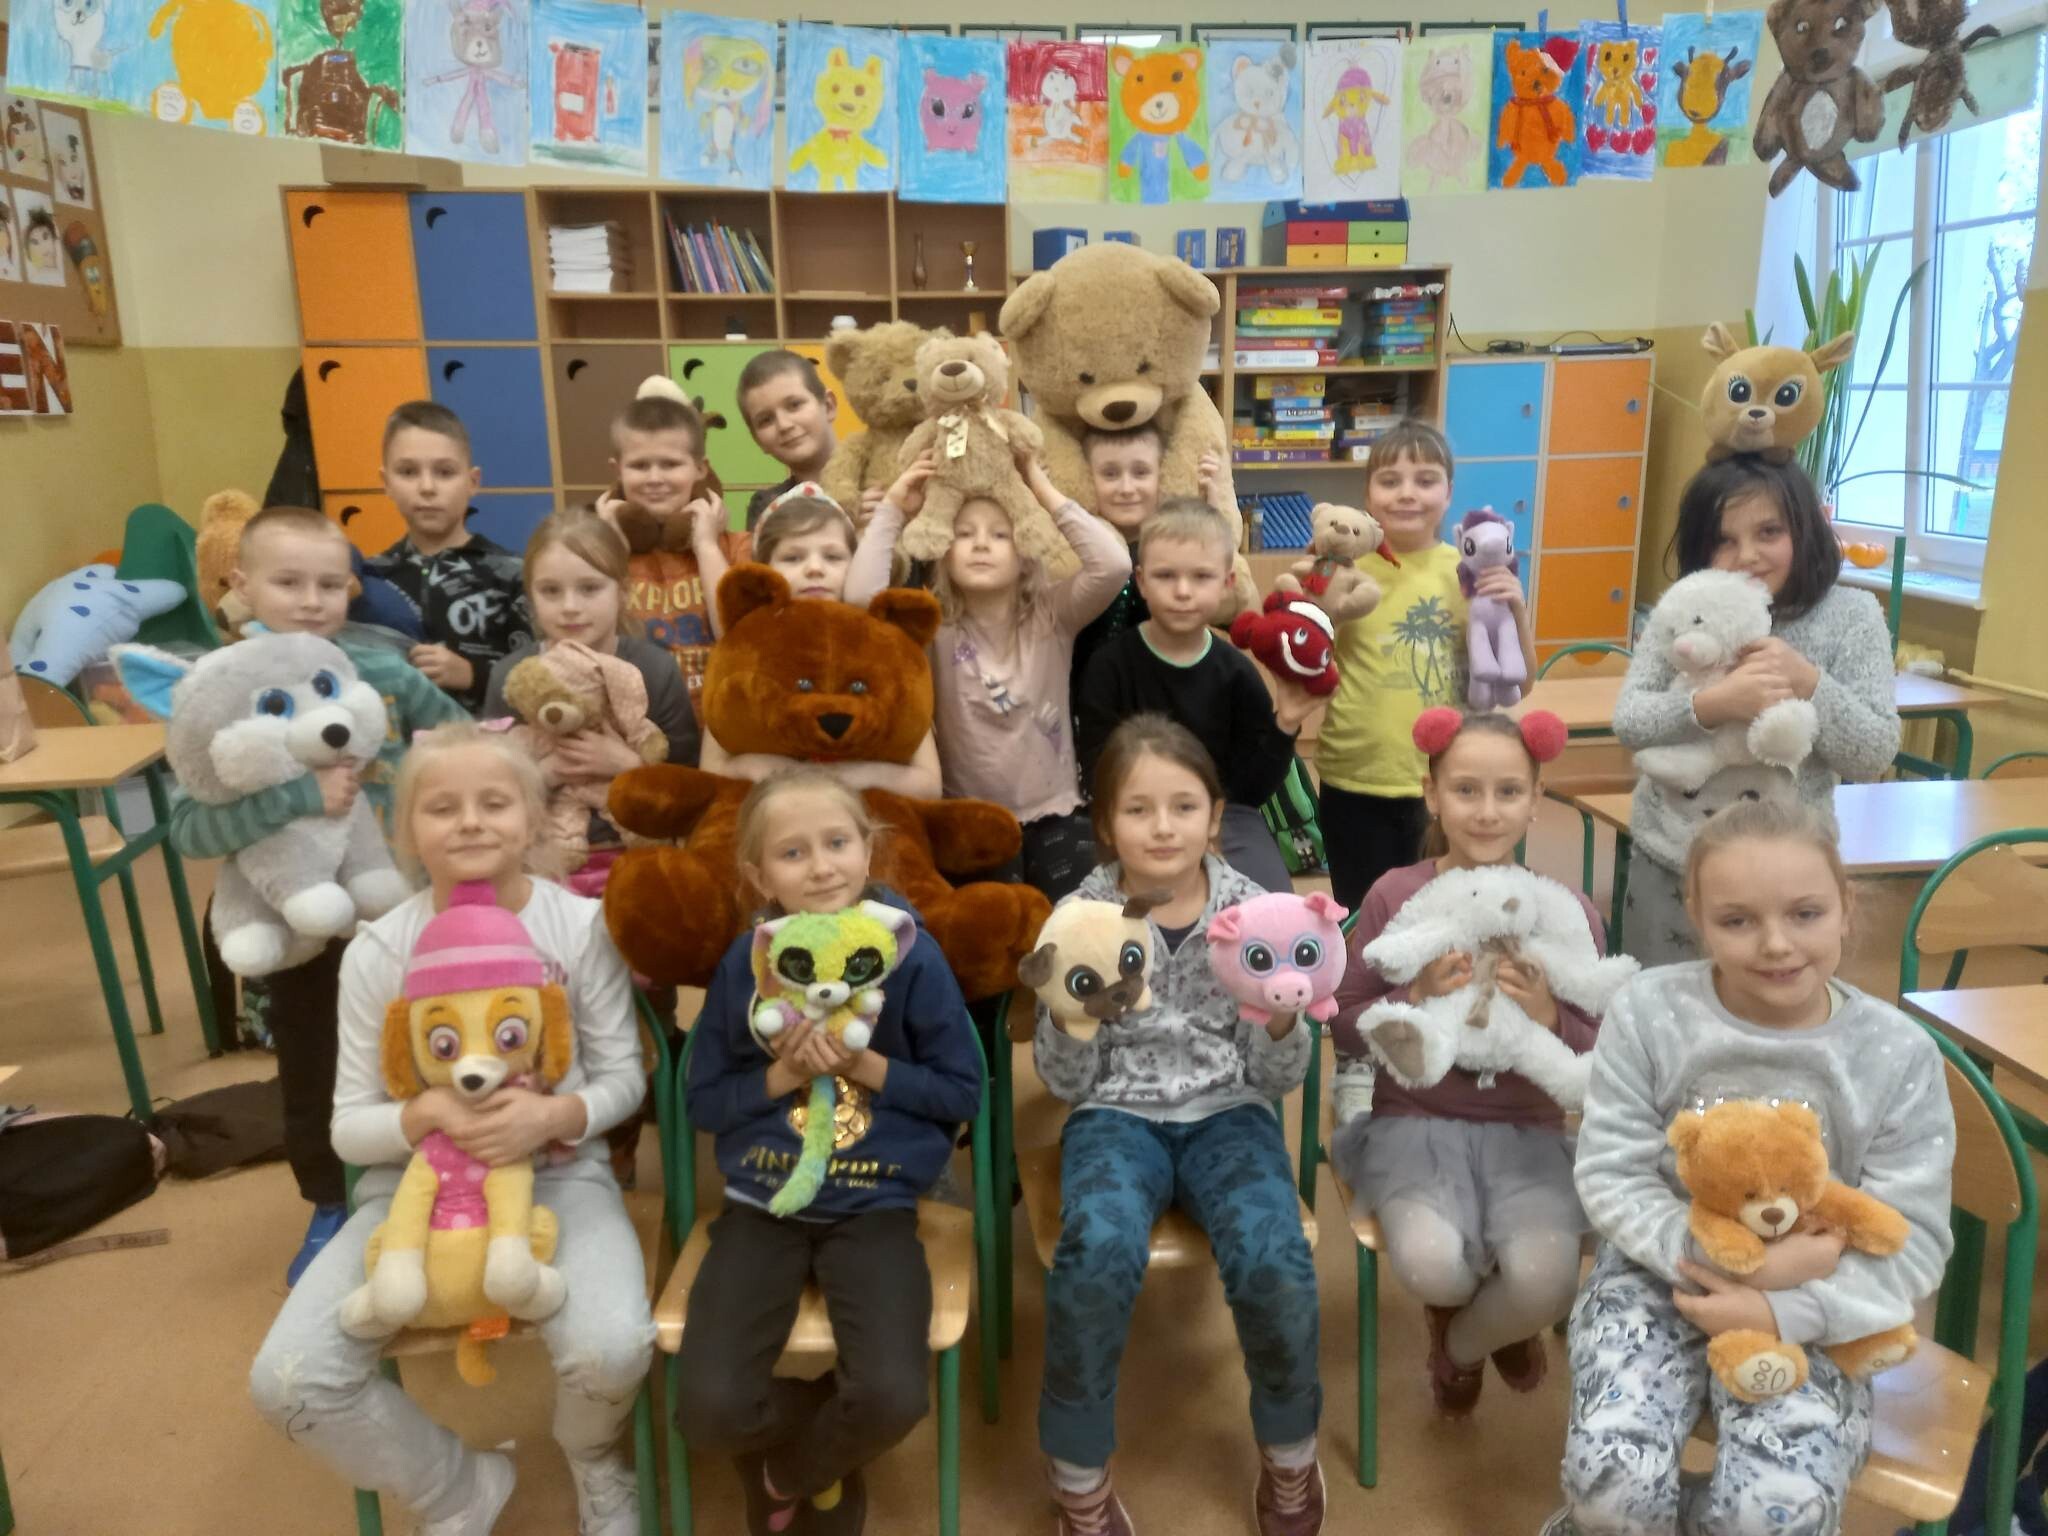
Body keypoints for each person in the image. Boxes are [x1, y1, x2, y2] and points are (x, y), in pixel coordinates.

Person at [246, 723, 654, 1536]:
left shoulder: (580, 928)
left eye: (494, 803)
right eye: (441, 808)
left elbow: (623, 1080)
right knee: (287, 1383)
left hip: (559, 1179)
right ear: (405, 830)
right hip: (410, 1194)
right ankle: (457, 1488)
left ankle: (592, 1459)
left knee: (612, 1350)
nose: (469, 822)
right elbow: (349, 1128)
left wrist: (553, 1115)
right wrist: (426, 1114)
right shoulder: (377, 952)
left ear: (531, 820)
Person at [1549, 798, 1954, 1536]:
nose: (1776, 944)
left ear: (1846, 907)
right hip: (1657, 1276)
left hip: (1822, 1307)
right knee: (1610, 1495)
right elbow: (1611, 1174)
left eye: (1805, 913)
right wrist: (1729, 1259)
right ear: (1697, 916)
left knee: (1775, 1517)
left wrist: (1779, 1308)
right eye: (1737, 920)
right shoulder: (1649, 1011)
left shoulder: (1897, 1054)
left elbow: (1913, 1240)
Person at [673, 767, 982, 1536]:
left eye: (837, 843)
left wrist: (864, 1065)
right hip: (762, 1202)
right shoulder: (746, 963)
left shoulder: (911, 957)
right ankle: (813, 1444)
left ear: (867, 851)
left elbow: (961, 1093)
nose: (820, 867)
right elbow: (703, 1102)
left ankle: (785, 1472)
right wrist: (782, 1075)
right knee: (705, 1411)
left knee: (893, 1397)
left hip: (877, 1205)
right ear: (759, 876)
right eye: (793, 852)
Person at [1034, 715, 1323, 1536]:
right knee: (1095, 1247)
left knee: (1274, 1257)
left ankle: (1291, 1455)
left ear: (1215, 814)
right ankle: (1078, 1472)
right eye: (1138, 809)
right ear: (1105, 824)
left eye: (1183, 806)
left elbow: (1280, 1080)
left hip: (1229, 1113)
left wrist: (1280, 1020)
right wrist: (1075, 1018)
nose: (1163, 827)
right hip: (1115, 1116)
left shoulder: (1256, 914)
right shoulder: (1082, 918)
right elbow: (1065, 1084)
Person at [169, 506, 468, 1283]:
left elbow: (467, 740)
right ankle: (331, 1201)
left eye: (329, 585)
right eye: (288, 582)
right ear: (242, 584)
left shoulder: (384, 671)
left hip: (402, 908)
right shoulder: (222, 687)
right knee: (315, 1067)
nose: (311, 601)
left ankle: (438, 1186)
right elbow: (188, 829)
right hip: (300, 929)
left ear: (352, 588)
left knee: (426, 1051)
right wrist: (299, 798)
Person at [1327, 707, 1597, 1418]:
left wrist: (1549, 1015)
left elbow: (1600, 1048)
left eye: (1509, 791)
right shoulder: (1396, 895)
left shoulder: (1563, 910)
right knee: (1430, 1268)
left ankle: (1465, 1343)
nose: (1486, 810)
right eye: (1466, 790)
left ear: (1536, 800)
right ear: (1432, 794)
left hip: (1528, 1133)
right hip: (1413, 1126)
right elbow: (1344, 1027)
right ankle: (1469, 1313)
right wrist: (1412, 996)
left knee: (1547, 1282)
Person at [1614, 455, 1901, 965]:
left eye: (1769, 532)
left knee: (1771, 1000)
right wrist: (1712, 705)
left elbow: (1873, 752)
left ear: (1804, 530)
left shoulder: (1851, 616)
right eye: (1724, 539)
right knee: (1661, 1000)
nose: (1747, 555)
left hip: (1789, 870)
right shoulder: (1685, 605)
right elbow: (1631, 721)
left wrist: (1806, 681)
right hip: (1673, 858)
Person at [848, 447, 1130, 903]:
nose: (981, 543)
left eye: (1001, 534)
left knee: (1083, 919)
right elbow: (863, 600)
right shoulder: (930, 624)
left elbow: (1114, 566)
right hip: (969, 819)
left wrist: (1040, 491)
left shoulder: (1053, 616)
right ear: (943, 552)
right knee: (994, 931)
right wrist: (894, 509)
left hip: (1055, 814)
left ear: (1025, 552)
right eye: (964, 534)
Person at [1315, 420, 1537, 914]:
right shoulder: (1343, 570)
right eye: (1390, 480)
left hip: (1446, 780)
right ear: (1367, 494)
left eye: (1425, 480)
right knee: (1364, 915)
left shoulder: (1470, 570)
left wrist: (1517, 610)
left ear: (1449, 492)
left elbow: (1521, 682)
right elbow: (1307, 661)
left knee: (1447, 913)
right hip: (1355, 774)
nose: (1407, 494)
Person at [1076, 501, 1316, 896]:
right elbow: (1098, 772)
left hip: (1225, 818)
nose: (1183, 591)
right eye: (1165, 575)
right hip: (1131, 815)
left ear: (1226, 583)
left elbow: (1253, 790)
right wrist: (1152, 819)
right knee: (1097, 910)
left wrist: (1285, 723)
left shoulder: (1236, 672)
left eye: (1201, 576)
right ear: (1141, 581)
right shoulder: (1109, 666)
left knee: (1272, 909)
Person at [483, 510, 700, 878]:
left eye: (589, 588)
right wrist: (548, 772)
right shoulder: (513, 677)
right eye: (551, 591)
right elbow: (490, 792)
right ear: (531, 597)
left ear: (623, 591)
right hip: (541, 860)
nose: (570, 606)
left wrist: (626, 765)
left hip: (639, 855)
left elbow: (689, 790)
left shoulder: (655, 670)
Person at [697, 482, 943, 800]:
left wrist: (838, 776)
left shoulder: (886, 646)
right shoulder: (747, 649)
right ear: (765, 571)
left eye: (833, 556)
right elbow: (712, 771)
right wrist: (758, 768)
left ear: (856, 563)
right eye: (792, 557)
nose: (814, 569)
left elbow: (928, 784)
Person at [365, 400, 534, 713]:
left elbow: (545, 676)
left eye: (444, 472)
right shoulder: (371, 579)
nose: (427, 487)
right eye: (408, 472)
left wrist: (474, 675)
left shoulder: (514, 575)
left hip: (491, 739)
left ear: (472, 482)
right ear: (386, 483)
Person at [594, 388, 746, 702]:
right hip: (636, 722)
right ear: (617, 471)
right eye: (639, 466)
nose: (654, 478)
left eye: (670, 464)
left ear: (700, 468)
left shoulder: (736, 548)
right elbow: (593, 643)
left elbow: (737, 638)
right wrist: (611, 552)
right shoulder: (600, 553)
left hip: (717, 723)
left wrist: (706, 547)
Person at [736, 349, 840, 530]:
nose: (784, 425)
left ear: (828, 406)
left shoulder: (882, 480)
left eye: (794, 405)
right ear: (757, 440)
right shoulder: (767, 508)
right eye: (766, 420)